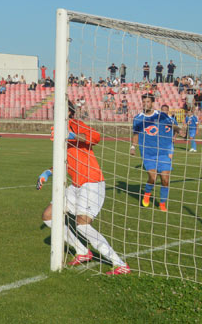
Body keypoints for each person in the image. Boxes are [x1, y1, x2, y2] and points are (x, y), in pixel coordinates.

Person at [36, 101, 130, 275]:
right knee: (48, 216)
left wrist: (72, 135)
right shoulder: (56, 131)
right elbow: (64, 159)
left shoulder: (77, 124)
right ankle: (82, 251)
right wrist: (48, 172)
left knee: (82, 225)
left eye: (61, 110)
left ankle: (120, 264)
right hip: (76, 185)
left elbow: (96, 137)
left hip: (92, 182)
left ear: (70, 112)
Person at [130, 94, 180, 212]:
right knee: (152, 177)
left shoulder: (161, 115)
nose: (145, 104)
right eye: (143, 102)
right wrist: (133, 147)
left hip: (163, 152)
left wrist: (177, 129)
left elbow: (171, 125)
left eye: (147, 102)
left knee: (165, 179)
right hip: (148, 153)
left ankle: (162, 203)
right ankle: (147, 193)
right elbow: (136, 134)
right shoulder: (138, 118)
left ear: (152, 103)